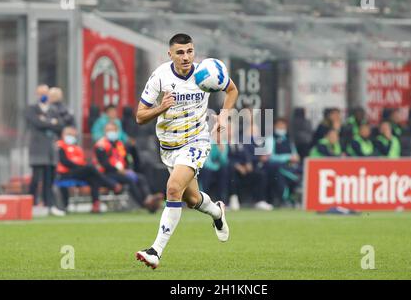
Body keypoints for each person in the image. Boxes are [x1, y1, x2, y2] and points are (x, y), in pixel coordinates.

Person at [135, 33, 238, 269]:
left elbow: (232, 90)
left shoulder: (207, 72)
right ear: (170, 54)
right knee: (191, 199)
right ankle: (217, 212)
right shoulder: (159, 77)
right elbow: (140, 116)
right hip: (169, 146)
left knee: (172, 188)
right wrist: (162, 107)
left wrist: (224, 115)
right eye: (180, 52)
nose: (186, 57)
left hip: (197, 141)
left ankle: (155, 251)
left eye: (190, 51)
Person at [93, 122, 163, 212]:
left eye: (113, 130)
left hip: (121, 172)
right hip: (106, 174)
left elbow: (126, 159)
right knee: (130, 180)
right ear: (105, 131)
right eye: (109, 130)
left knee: (141, 178)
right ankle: (144, 204)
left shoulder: (119, 144)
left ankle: (148, 197)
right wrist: (120, 171)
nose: (111, 132)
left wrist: (128, 169)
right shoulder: (101, 145)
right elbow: (104, 164)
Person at [57, 126, 122, 213]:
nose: (71, 137)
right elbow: (64, 162)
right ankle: (111, 184)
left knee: (93, 178)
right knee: (91, 168)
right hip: (65, 173)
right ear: (63, 135)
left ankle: (96, 204)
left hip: (78, 172)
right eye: (69, 134)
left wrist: (79, 166)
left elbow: (82, 161)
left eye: (73, 135)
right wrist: (78, 165)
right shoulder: (60, 146)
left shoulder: (77, 148)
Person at [25, 84, 66, 216]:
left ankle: (49, 205)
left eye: (45, 93)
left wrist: (47, 122)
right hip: (37, 148)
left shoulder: (53, 109)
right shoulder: (32, 109)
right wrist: (51, 123)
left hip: (50, 149)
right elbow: (37, 123)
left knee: (49, 178)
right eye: (40, 93)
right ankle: (30, 205)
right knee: (36, 178)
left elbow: (60, 125)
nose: (43, 95)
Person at [261, 118, 301, 208]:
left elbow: (296, 156)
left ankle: (291, 195)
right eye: (279, 126)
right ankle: (285, 198)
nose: (281, 128)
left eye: (283, 126)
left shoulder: (289, 140)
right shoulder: (270, 139)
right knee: (281, 173)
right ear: (275, 126)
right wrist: (287, 157)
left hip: (290, 166)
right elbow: (269, 157)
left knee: (294, 171)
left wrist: (294, 158)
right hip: (275, 166)